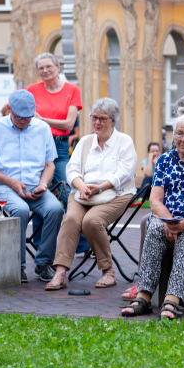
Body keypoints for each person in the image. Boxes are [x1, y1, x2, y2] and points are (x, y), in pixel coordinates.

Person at [122, 113, 184, 319]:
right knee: (154, 227)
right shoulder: (166, 160)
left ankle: (173, 299)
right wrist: (169, 221)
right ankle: (144, 296)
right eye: (179, 133)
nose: (183, 139)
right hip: (168, 217)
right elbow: (156, 199)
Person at [45, 98, 138, 290]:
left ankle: (108, 271)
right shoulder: (85, 141)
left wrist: (100, 187)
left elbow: (125, 173)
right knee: (70, 219)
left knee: (92, 221)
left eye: (102, 119)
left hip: (115, 192)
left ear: (113, 121)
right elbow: (72, 170)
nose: (97, 122)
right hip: (84, 192)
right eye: (94, 118)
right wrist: (81, 186)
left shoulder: (124, 142)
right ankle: (61, 272)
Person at [0, 90, 64, 284]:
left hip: (34, 185)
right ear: (9, 109)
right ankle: (17, 265)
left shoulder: (42, 128)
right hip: (3, 185)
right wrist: (12, 182)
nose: (24, 121)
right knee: (20, 210)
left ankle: (43, 263)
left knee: (55, 209)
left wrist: (43, 184)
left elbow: (50, 164)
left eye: (28, 117)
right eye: (19, 117)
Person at [27, 52, 82, 197]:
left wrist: (42, 120)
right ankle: (39, 220)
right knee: (36, 189)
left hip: (59, 146)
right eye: (41, 68)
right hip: (36, 144)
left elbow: (69, 124)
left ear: (58, 67)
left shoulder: (72, 89)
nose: (45, 71)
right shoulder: (32, 90)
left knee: (67, 188)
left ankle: (71, 219)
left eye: (48, 66)